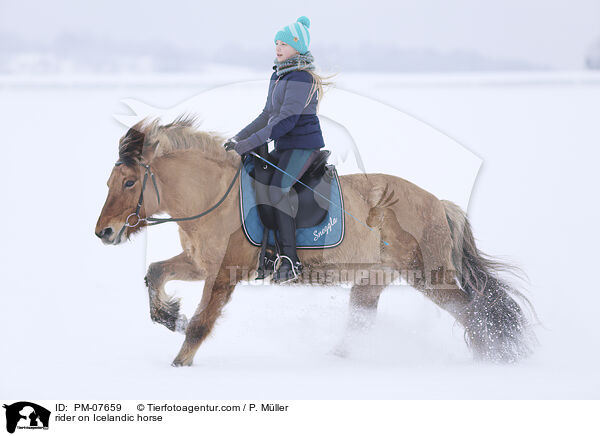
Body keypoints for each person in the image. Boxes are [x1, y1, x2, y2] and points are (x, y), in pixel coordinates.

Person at [224, 16, 335, 283]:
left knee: (277, 189)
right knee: (255, 179)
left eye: (284, 43)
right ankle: (268, 252)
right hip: (285, 147)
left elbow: (284, 122)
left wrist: (246, 145)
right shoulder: (279, 74)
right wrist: (237, 139)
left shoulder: (301, 78)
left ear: (298, 47)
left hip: (303, 147)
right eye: (276, 42)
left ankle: (290, 260)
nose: (278, 47)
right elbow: (266, 116)